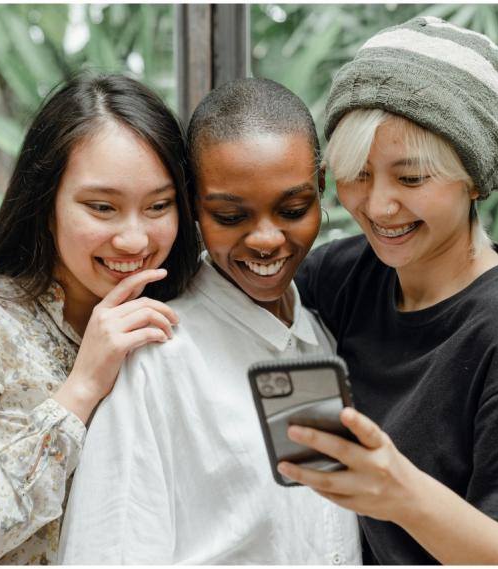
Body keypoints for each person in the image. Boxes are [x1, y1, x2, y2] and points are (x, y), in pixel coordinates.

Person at [284, 16, 498, 564]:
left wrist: (403, 496)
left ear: (474, 178)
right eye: (358, 173)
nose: (378, 206)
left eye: (411, 179)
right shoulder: (346, 274)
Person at [0, 73, 200, 564]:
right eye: (103, 207)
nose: (135, 239)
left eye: (159, 206)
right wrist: (81, 389)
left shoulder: (179, 322)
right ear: (46, 204)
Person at [58, 78, 361, 564]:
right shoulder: (158, 355)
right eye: (230, 216)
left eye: (292, 209)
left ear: (321, 187)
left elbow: (316, 535)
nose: (266, 239)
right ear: (192, 204)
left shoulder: (316, 337)